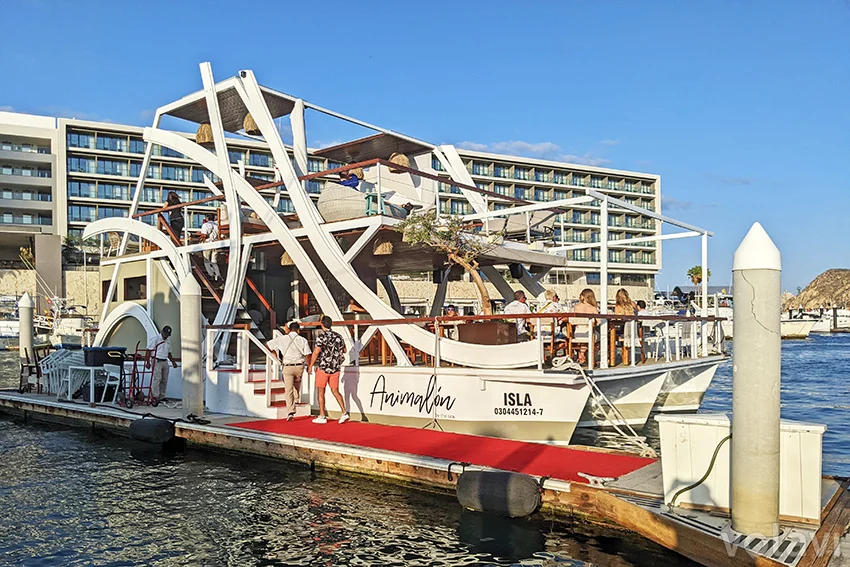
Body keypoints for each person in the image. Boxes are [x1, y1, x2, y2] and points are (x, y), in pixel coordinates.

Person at [307, 316, 349, 424]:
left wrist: (310, 365)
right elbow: (344, 350)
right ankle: (344, 412)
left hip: (324, 367)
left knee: (321, 392)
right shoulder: (338, 336)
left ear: (322, 324)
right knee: (335, 391)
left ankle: (322, 415)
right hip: (335, 367)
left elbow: (316, 352)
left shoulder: (321, 337)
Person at [267, 321, 312, 421]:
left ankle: (291, 411)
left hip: (287, 366)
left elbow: (268, 345)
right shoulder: (303, 340)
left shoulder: (282, 339)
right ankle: (296, 399)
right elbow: (308, 354)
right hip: (299, 365)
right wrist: (309, 366)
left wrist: (276, 356)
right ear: (298, 330)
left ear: (289, 329)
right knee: (297, 382)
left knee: (288, 389)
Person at [146, 326, 178, 403]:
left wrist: (173, 362)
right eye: (165, 334)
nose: (166, 336)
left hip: (164, 360)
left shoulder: (168, 340)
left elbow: (169, 352)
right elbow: (148, 350)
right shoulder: (155, 339)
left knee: (164, 379)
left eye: (167, 335)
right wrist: (147, 362)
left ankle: (162, 396)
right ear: (162, 332)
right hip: (156, 360)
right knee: (157, 378)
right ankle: (155, 396)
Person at [198, 214, 222, 281]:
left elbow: (204, 235)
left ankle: (211, 274)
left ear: (207, 218)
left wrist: (200, 238)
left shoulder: (205, 225)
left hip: (208, 244)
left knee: (206, 261)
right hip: (216, 244)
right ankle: (218, 275)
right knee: (214, 261)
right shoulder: (217, 225)